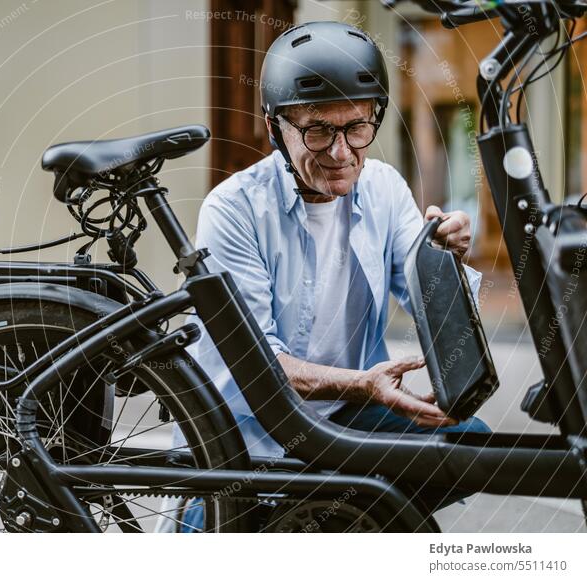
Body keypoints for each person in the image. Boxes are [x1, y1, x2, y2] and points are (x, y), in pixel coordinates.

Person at [165, 20, 490, 532]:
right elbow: (255, 368)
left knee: (473, 448)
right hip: (249, 438)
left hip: (343, 422)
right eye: (318, 130)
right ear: (277, 127)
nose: (342, 153)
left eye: (357, 127)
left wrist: (445, 254)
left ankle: (337, 521)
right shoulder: (234, 209)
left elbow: (437, 307)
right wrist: (365, 384)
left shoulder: (382, 187)